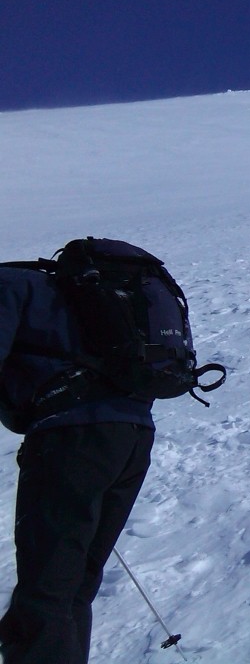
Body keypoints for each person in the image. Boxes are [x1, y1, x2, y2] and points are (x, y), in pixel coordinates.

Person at [0, 261, 156, 664]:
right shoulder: (60, 287)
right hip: (131, 436)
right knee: (74, 584)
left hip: (71, 440)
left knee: (46, 591)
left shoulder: (7, 286)